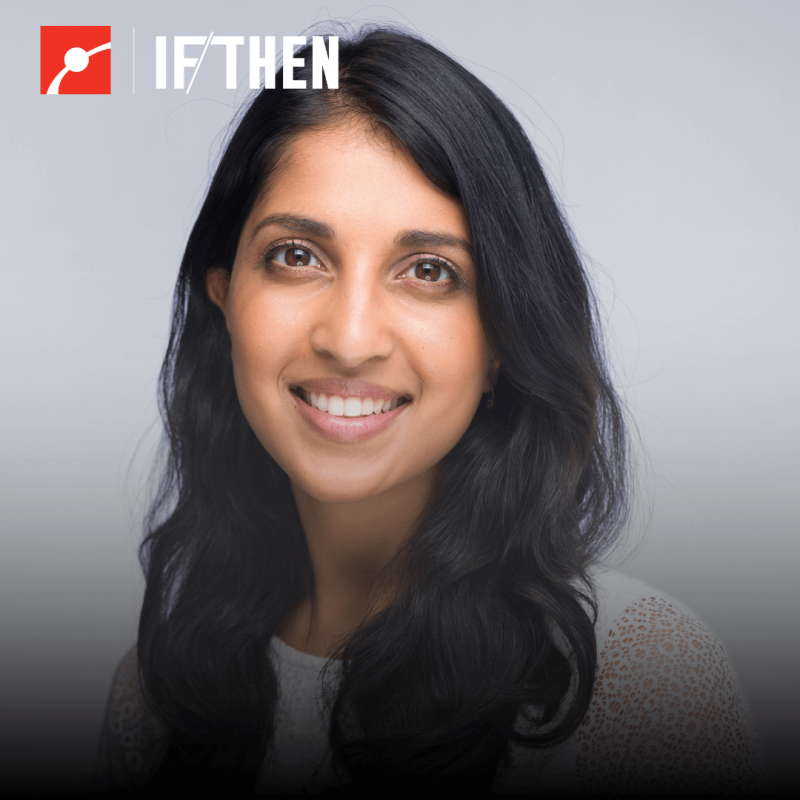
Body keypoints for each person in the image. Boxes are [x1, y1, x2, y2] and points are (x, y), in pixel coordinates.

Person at [95, 26, 765, 793]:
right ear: (224, 302)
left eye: (428, 271)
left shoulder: (641, 682)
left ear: (503, 339)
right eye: (297, 256)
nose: (349, 340)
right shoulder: (155, 696)